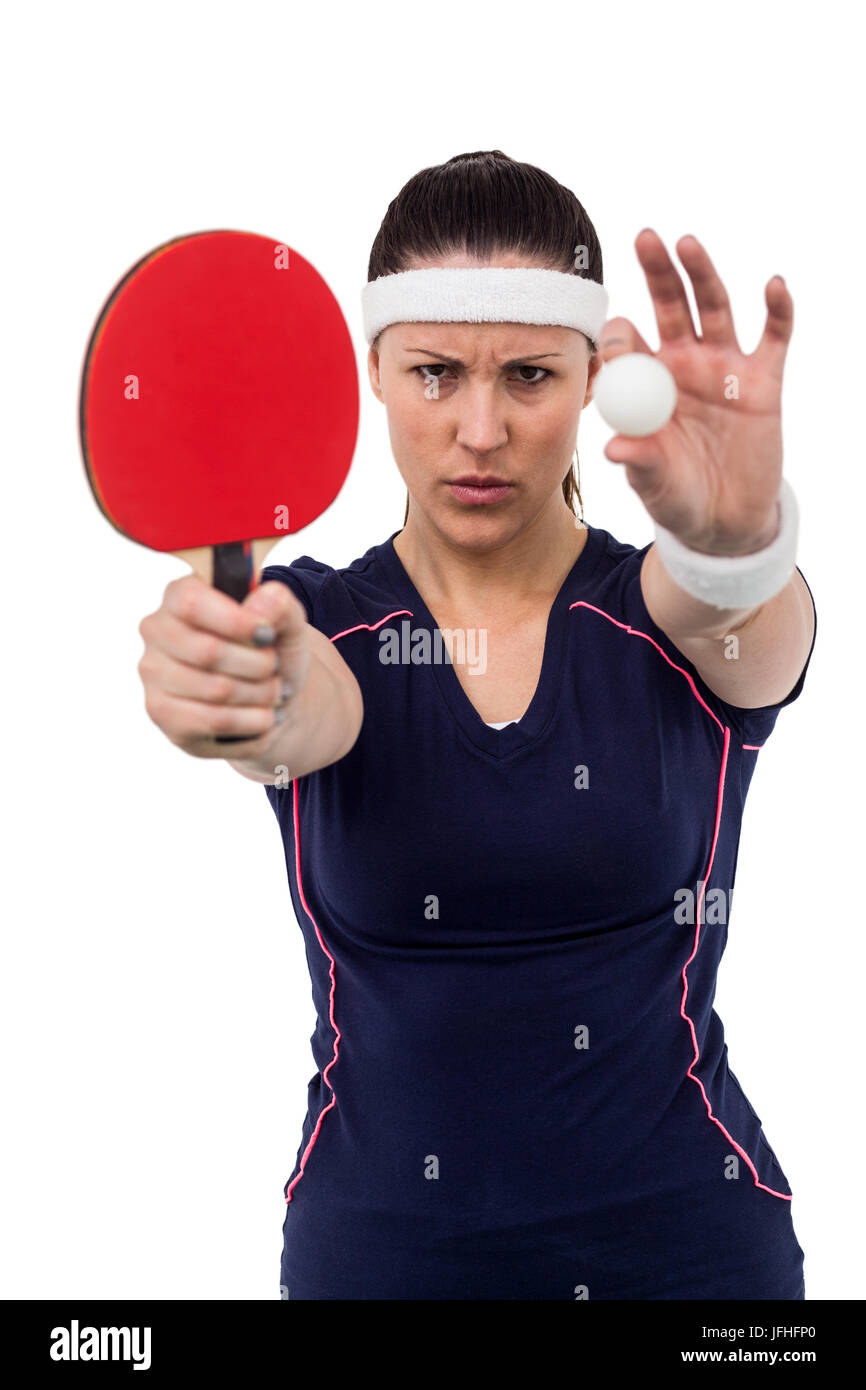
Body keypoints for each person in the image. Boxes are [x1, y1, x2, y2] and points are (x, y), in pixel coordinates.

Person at [137, 150, 817, 1299]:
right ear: (375, 371)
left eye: (530, 376)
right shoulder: (322, 625)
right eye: (437, 373)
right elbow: (301, 700)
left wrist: (738, 539)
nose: (481, 429)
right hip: (383, 1260)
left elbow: (740, 624)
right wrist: (239, 689)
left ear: (591, 379)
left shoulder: (659, 612)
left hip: (692, 1259)